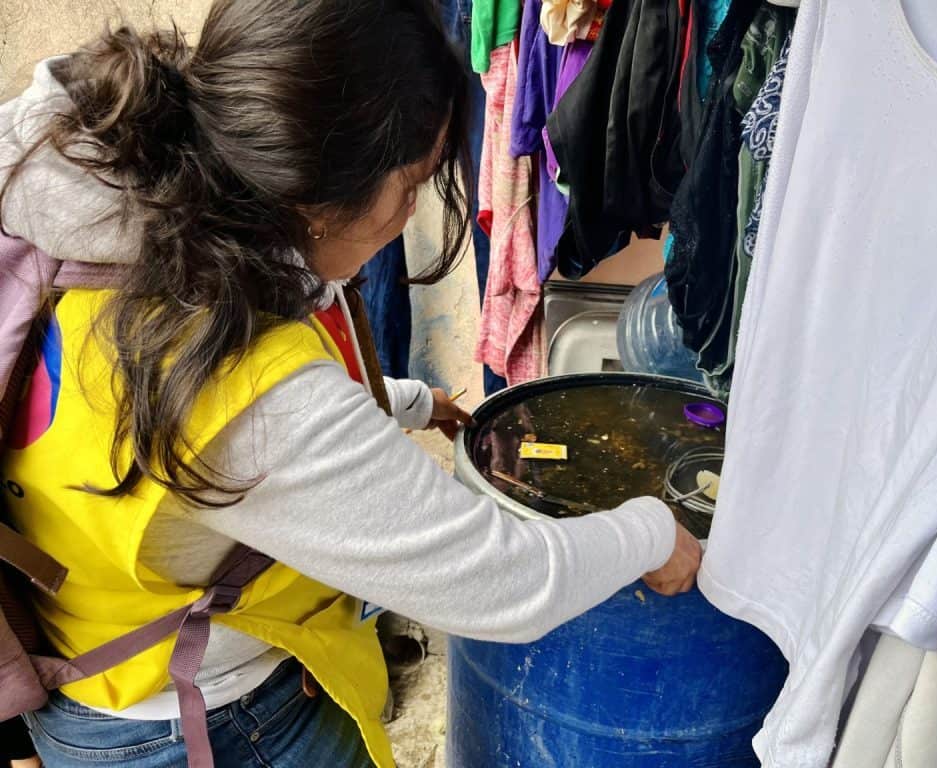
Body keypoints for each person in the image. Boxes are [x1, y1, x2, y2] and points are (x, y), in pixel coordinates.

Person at [0, 0, 702, 765]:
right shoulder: (245, 383)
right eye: (415, 182)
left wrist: (407, 399)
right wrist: (651, 532)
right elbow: (507, 583)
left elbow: (258, 436)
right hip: (207, 723)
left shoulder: (103, 220)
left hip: (86, 678)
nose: (409, 212)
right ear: (321, 196)